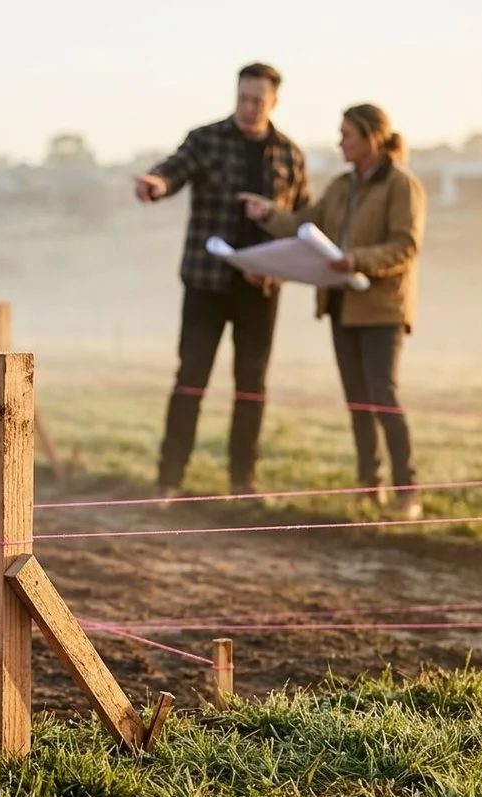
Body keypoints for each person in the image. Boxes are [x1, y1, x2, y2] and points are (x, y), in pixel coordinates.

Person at [238, 103, 427, 520]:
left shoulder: (401, 185)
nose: (340, 142)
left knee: (383, 396)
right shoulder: (342, 186)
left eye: (348, 135)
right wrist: (269, 215)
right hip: (340, 307)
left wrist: (357, 259)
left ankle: (407, 491)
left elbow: (404, 246)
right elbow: (308, 225)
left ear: (372, 137)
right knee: (357, 401)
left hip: (381, 308)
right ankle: (367, 486)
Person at [134, 62, 310, 501]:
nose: (248, 108)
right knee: (190, 380)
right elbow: (174, 170)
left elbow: (302, 220)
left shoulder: (291, 154)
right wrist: (156, 184)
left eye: (258, 101)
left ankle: (241, 485)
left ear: (274, 102)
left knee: (252, 387)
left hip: (260, 289)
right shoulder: (206, 139)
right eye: (243, 99)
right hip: (206, 284)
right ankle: (169, 482)